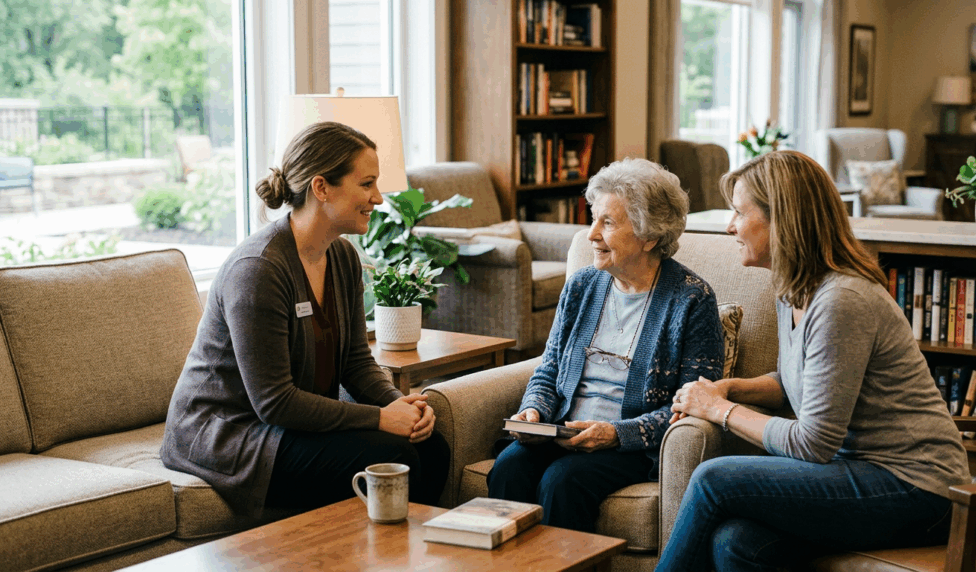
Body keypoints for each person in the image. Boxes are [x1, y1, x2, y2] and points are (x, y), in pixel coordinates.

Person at [656, 151, 971, 572]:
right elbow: (794, 382)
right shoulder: (793, 289)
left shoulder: (841, 300)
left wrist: (719, 409)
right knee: (737, 543)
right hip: (857, 470)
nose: (730, 227)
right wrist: (729, 387)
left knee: (713, 480)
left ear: (783, 220)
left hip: (918, 488)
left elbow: (812, 444)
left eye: (739, 213)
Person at [161, 121, 449, 517]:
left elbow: (355, 361)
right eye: (367, 184)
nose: (378, 198)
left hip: (283, 427)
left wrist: (402, 407)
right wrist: (382, 419)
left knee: (430, 445)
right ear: (321, 187)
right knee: (392, 453)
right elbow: (275, 403)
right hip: (229, 435)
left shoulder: (343, 257)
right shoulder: (259, 269)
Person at [487, 157, 725, 532]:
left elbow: (694, 406)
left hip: (629, 444)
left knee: (563, 481)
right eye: (594, 218)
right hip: (562, 429)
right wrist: (533, 411)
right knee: (509, 466)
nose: (591, 234)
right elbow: (549, 367)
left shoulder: (691, 300)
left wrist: (617, 433)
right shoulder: (582, 286)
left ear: (649, 236)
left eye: (608, 223)